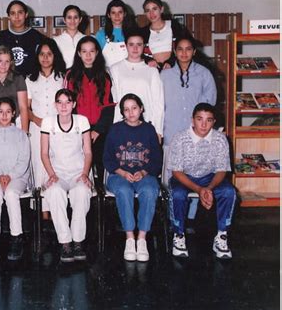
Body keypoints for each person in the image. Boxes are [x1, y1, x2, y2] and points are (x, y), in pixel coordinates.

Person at [168, 103, 236, 259]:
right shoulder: (180, 138)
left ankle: (222, 235)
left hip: (210, 177)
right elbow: (176, 171)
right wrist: (199, 190)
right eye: (200, 119)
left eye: (209, 120)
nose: (204, 124)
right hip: (185, 177)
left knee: (229, 191)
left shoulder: (220, 139)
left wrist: (209, 188)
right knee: (178, 194)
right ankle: (178, 235)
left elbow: (221, 170)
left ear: (214, 122)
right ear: (192, 120)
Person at [103, 94, 162, 262]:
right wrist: (122, 172)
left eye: (134, 108)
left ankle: (142, 238)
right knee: (123, 190)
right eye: (126, 109)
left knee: (150, 190)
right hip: (119, 175)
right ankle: (129, 238)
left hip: (145, 174)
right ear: (122, 112)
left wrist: (143, 172)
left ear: (141, 108)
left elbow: (157, 159)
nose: (131, 113)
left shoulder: (149, 130)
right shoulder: (115, 129)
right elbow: (107, 158)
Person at [41, 89, 93, 263]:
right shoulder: (48, 122)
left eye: (68, 102)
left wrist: (85, 174)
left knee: (81, 193)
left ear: (74, 104)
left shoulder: (82, 121)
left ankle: (78, 241)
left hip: (79, 172)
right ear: (55, 105)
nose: (64, 106)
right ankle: (65, 243)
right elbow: (44, 153)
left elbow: (87, 152)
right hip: (57, 173)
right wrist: (51, 175)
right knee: (55, 193)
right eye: (60, 102)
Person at [0, 97, 31, 261]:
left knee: (10, 194)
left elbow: (24, 161)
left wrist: (10, 176)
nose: (4, 115)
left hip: (17, 176)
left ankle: (16, 238)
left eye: (8, 112)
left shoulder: (22, 135)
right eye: (1, 112)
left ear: (14, 114)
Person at [160, 36, 217, 183]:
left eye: (188, 49)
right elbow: (159, 104)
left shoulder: (204, 74)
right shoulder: (165, 75)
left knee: (196, 176)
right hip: (171, 131)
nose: (184, 53)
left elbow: (210, 103)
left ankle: (194, 207)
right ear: (174, 51)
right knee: (170, 178)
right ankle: (170, 206)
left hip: (196, 133)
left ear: (194, 51)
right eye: (180, 49)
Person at [66, 36, 114, 187]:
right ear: (79, 53)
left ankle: (101, 202)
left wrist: (98, 130)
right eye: (84, 51)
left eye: (92, 51)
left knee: (100, 167)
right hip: (78, 129)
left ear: (97, 53)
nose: (88, 55)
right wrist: (80, 130)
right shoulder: (71, 75)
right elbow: (69, 106)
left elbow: (108, 106)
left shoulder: (105, 76)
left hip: (99, 131)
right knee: (80, 169)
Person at [108, 29, 164, 139]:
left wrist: (158, 130)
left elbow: (159, 103)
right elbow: (114, 100)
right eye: (131, 44)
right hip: (121, 125)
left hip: (147, 125)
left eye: (139, 44)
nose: (135, 48)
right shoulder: (115, 69)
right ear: (126, 46)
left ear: (144, 46)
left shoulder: (152, 70)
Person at [26, 39, 66, 189]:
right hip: (37, 129)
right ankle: (42, 212)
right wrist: (36, 119)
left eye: (49, 54)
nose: (45, 57)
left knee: (57, 166)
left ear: (55, 56)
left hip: (59, 129)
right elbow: (26, 108)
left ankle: (58, 206)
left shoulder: (62, 78)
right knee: (39, 166)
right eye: (42, 54)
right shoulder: (30, 79)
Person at [0, 0, 45, 77]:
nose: (16, 17)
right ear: (8, 16)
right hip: (7, 82)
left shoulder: (36, 36)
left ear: (26, 14)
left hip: (31, 82)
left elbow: (42, 62)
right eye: (13, 13)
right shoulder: (1, 36)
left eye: (20, 12)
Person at [0, 46, 29, 131]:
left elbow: (23, 107)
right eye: (0, 61)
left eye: (7, 61)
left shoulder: (18, 78)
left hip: (15, 122)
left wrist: (25, 132)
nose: (3, 65)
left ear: (11, 63)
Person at [141, 0, 186, 70]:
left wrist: (171, 62)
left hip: (174, 68)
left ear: (161, 9)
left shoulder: (174, 26)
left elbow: (182, 47)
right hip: (153, 70)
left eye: (154, 9)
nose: (151, 13)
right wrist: (148, 60)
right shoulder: (143, 32)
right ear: (145, 13)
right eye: (147, 10)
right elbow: (140, 53)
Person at [95, 0, 136, 67]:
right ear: (109, 15)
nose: (117, 16)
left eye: (120, 12)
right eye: (113, 13)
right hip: (108, 74)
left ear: (125, 14)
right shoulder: (101, 35)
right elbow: (96, 59)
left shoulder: (133, 34)